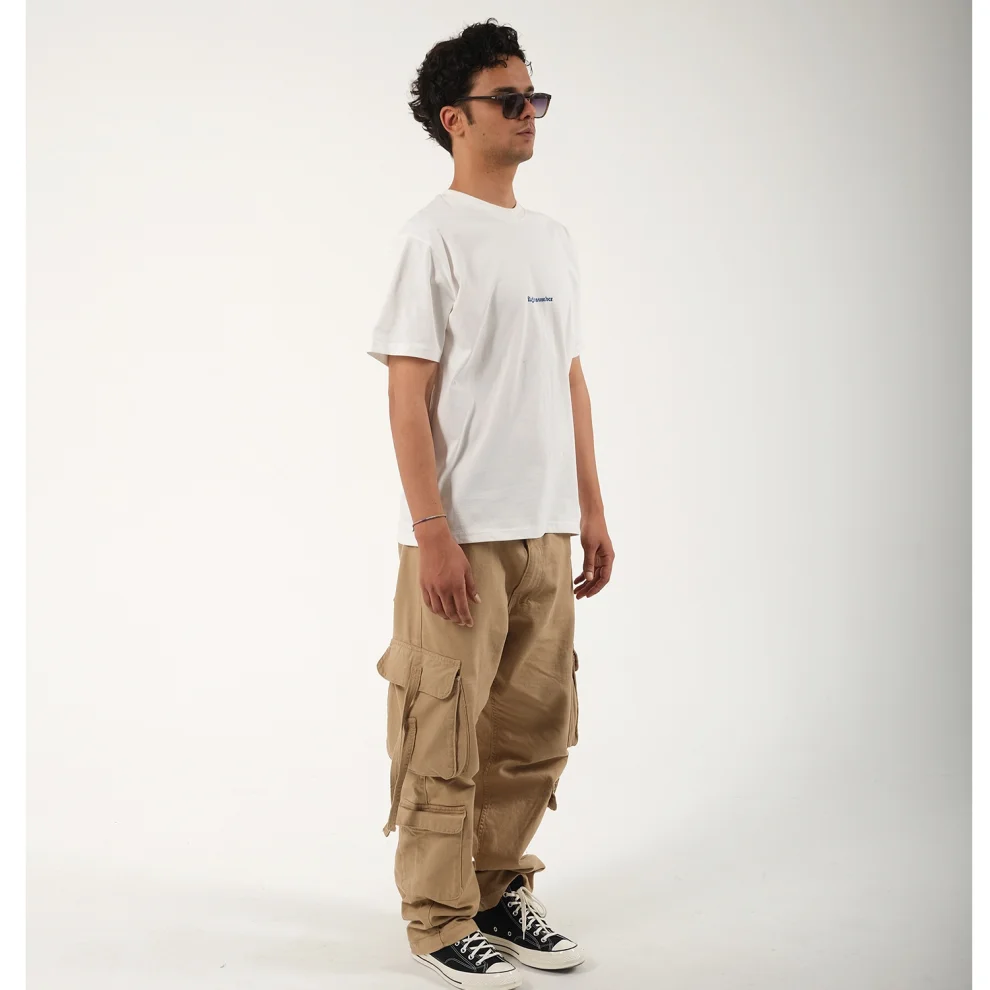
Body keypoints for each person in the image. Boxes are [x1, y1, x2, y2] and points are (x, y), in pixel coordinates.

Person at [367, 18, 614, 989]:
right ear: (455, 119)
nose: (529, 113)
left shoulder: (551, 240)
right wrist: (432, 530)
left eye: (534, 97)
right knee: (443, 730)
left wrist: (590, 511)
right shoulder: (430, 237)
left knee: (531, 731)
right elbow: (407, 393)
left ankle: (497, 887)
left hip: (543, 530)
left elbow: (570, 380)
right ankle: (437, 922)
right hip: (461, 534)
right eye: (508, 100)